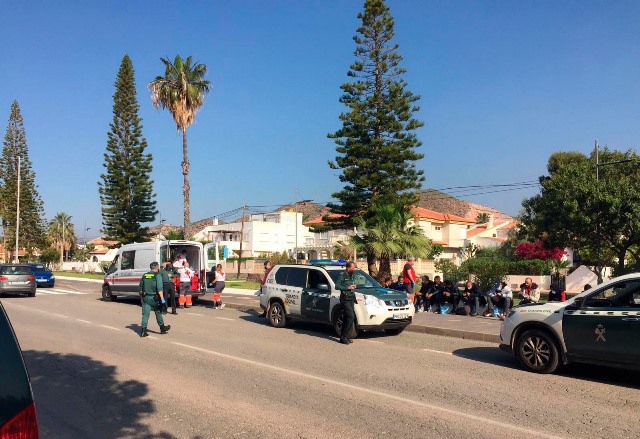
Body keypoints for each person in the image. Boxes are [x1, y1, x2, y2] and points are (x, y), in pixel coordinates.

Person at [138, 262, 170, 337]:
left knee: (145, 314)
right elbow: (159, 289)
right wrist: (162, 299)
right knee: (158, 312)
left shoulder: (145, 275)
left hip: (146, 297)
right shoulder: (157, 276)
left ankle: (143, 331)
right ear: (156, 267)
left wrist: (143, 295)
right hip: (154, 298)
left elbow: (140, 287)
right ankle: (162, 327)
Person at [334, 261, 358, 345]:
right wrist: (347, 287)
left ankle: (345, 337)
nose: (353, 269)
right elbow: (337, 286)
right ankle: (343, 336)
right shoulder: (342, 275)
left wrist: (354, 285)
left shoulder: (351, 275)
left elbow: (351, 284)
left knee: (348, 317)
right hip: (345, 298)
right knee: (350, 316)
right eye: (352, 268)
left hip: (351, 298)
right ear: (348, 268)